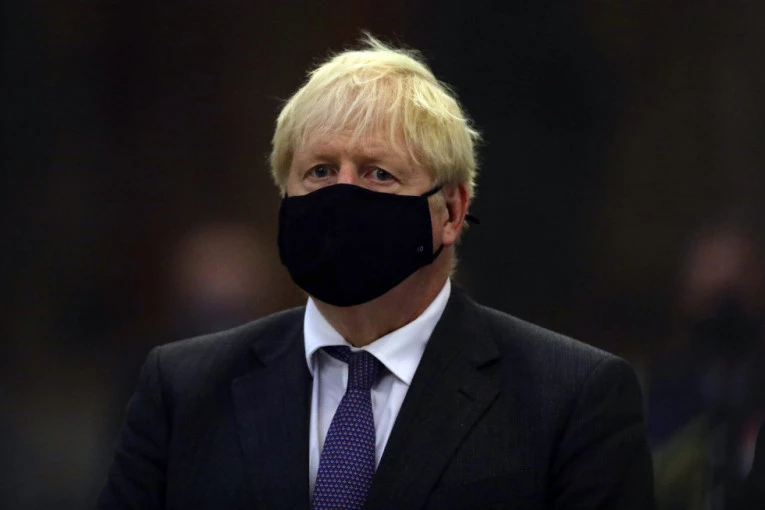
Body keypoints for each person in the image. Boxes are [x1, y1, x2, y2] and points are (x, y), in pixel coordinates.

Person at [98, 35, 655, 509]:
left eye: (378, 174)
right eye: (320, 171)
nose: (342, 196)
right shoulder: (184, 390)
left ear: (451, 212)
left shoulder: (571, 398)